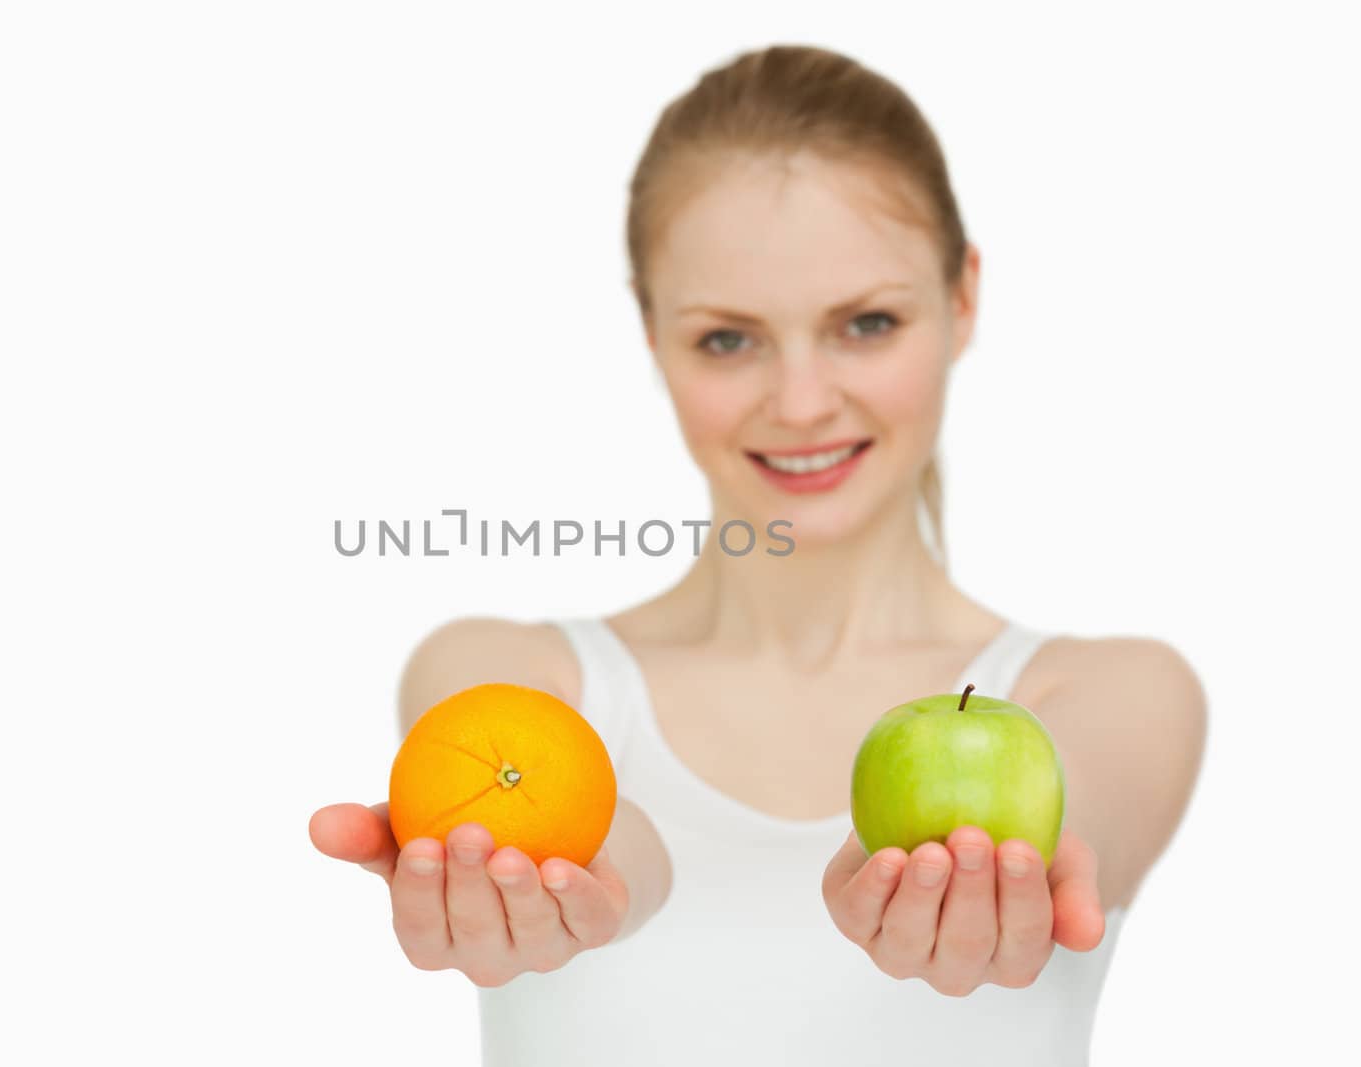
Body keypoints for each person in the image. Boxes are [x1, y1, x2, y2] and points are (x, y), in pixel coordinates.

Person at [308, 43, 1207, 1065]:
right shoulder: (498, 672)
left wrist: (1010, 872)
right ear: (651, 334)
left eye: (865, 323)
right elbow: (615, 843)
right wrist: (583, 887)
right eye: (728, 339)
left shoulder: (1118, 690)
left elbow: (1071, 822)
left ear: (962, 298)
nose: (802, 402)